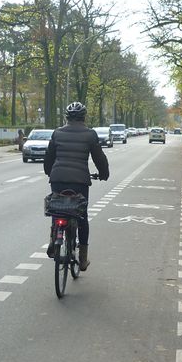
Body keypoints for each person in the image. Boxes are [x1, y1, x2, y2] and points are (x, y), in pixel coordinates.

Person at [44, 101, 109, 271]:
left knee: (57, 207)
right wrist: (103, 174)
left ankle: (53, 239)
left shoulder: (57, 133)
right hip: (79, 181)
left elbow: (49, 157)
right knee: (81, 216)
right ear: (84, 117)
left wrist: (49, 172)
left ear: (67, 117)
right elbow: (99, 158)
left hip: (57, 179)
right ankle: (83, 258)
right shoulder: (90, 135)